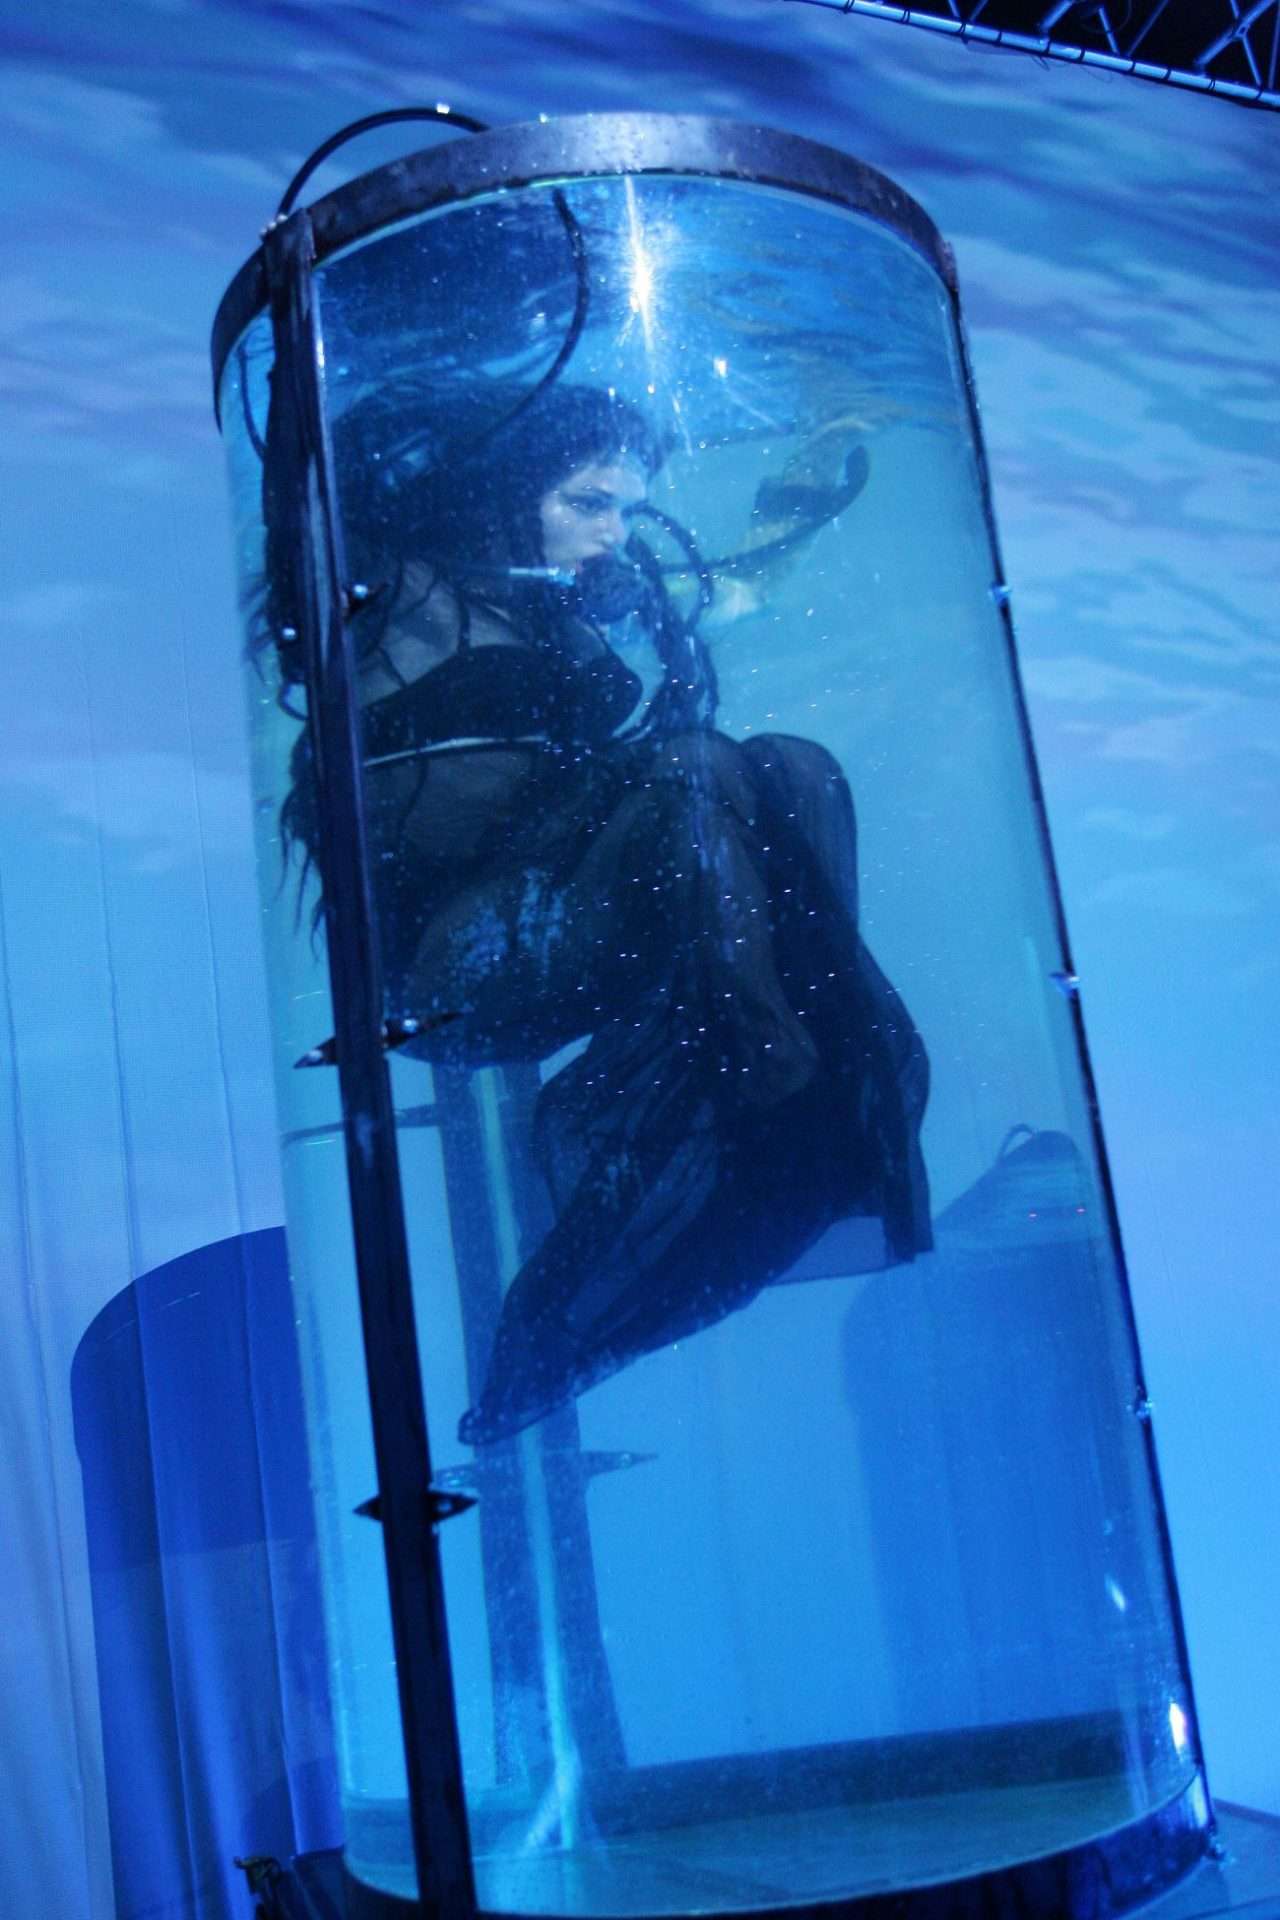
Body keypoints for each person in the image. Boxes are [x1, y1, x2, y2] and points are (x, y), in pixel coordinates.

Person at [264, 381, 932, 1444]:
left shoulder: (571, 609)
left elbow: (735, 593)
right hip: (454, 968)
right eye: (587, 503)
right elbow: (311, 535)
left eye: (625, 507)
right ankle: (775, 1076)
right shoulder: (395, 595)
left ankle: (806, 1081)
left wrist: (802, 479)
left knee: (793, 766)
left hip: (563, 923)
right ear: (501, 497)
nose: (614, 533)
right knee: (698, 765)